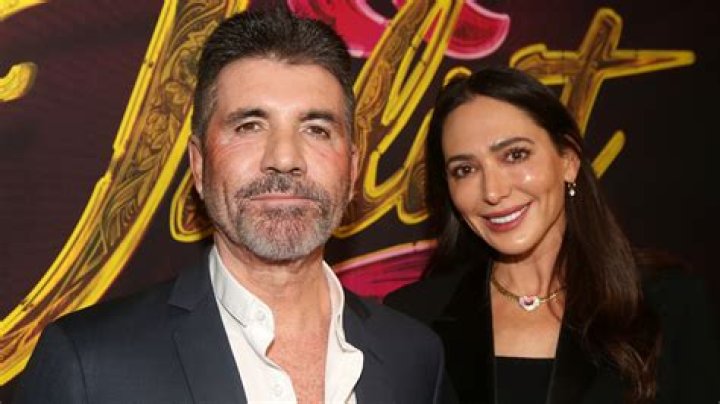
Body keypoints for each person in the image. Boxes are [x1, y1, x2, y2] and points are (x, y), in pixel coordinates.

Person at [15, 8, 450, 404]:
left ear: (352, 168)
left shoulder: (413, 355)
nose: (284, 157)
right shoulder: (89, 364)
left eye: (316, 129)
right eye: (249, 126)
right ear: (199, 165)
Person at [385, 66, 719, 403]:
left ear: (568, 160)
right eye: (465, 170)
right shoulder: (413, 318)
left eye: (515, 155)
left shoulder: (668, 303)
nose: (493, 191)